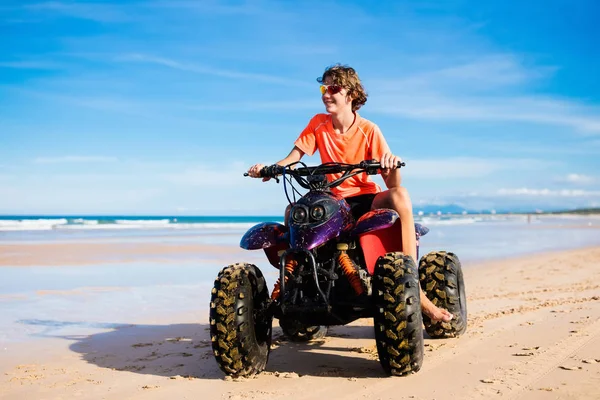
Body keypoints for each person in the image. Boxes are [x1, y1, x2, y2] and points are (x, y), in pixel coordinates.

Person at [247, 64, 452, 323]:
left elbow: (391, 181)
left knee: (401, 195)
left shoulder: (369, 130)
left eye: (334, 88)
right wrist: (269, 168)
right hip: (332, 201)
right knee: (292, 211)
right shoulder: (318, 124)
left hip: (365, 198)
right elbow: (293, 157)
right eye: (324, 88)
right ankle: (295, 283)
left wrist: (389, 163)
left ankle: (415, 287)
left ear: (351, 94)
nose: (326, 94)